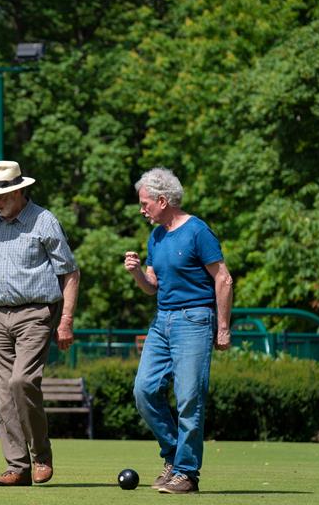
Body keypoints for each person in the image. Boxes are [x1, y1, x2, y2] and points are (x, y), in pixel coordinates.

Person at [123, 167, 233, 494]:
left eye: (145, 203)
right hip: (162, 321)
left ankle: (186, 474)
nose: (142, 209)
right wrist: (137, 274)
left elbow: (223, 278)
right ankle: (173, 455)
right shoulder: (155, 236)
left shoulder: (198, 231)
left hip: (195, 320)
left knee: (189, 399)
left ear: (162, 200)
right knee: (144, 391)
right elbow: (153, 286)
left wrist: (223, 328)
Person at [0, 160, 81, 487]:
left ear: (20, 190)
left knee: (21, 382)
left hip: (36, 313)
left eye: (2, 194)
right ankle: (17, 466)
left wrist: (66, 321)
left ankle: (41, 456)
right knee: (4, 392)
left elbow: (70, 272)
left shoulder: (44, 221)